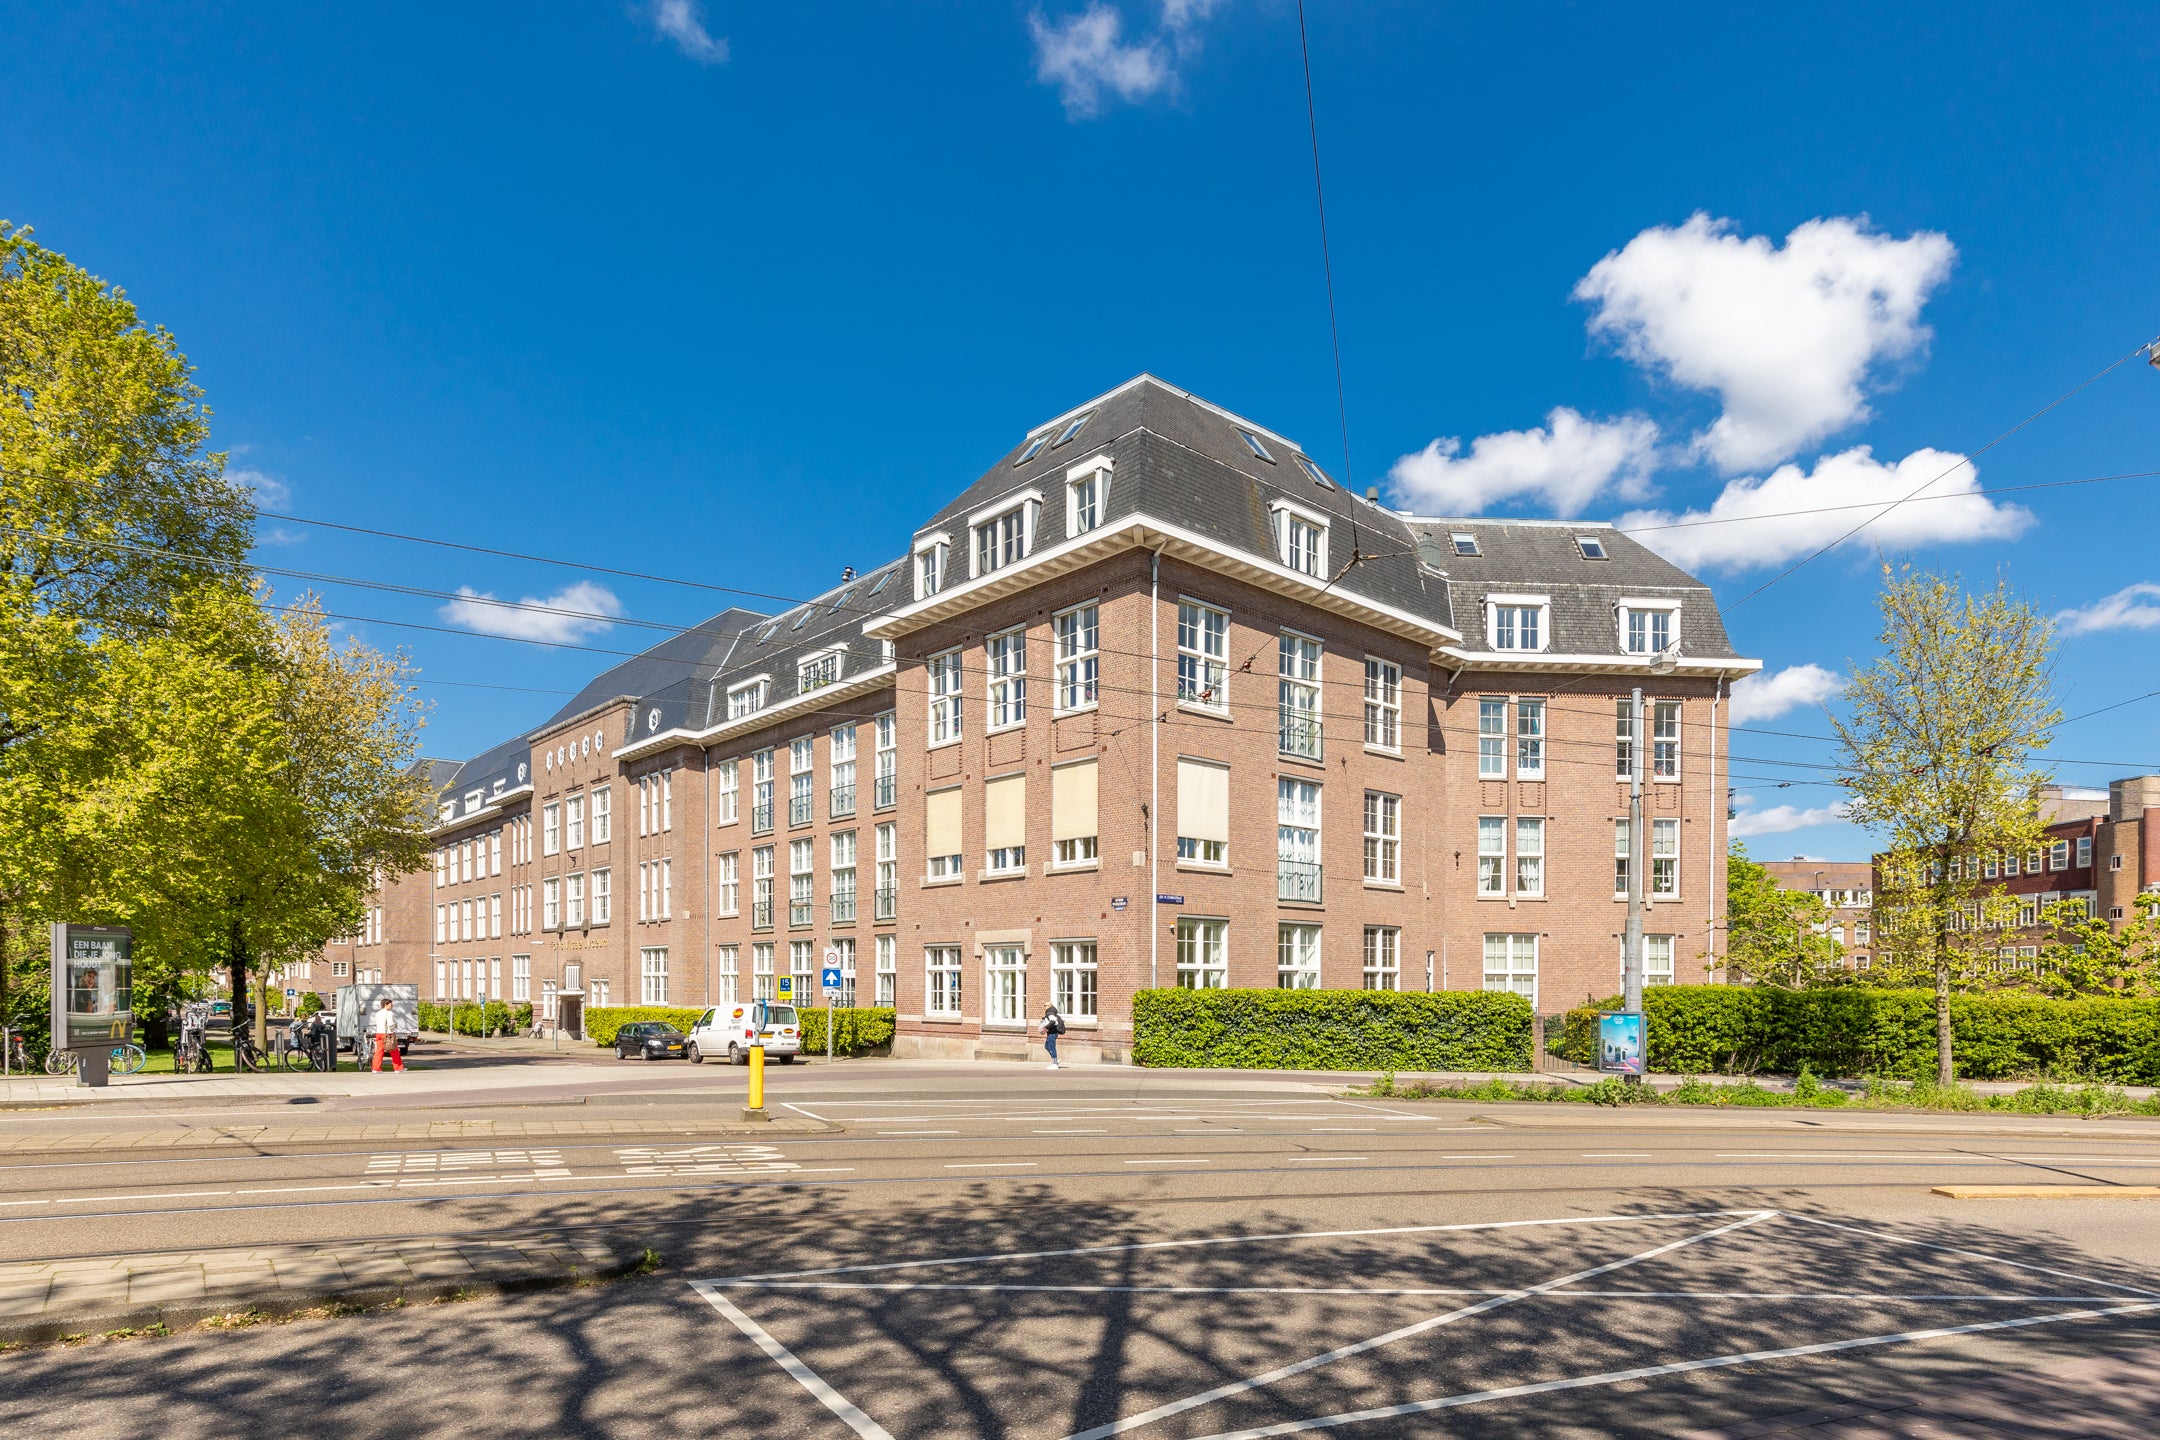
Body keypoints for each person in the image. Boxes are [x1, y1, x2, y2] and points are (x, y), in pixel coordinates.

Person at [370, 998, 405, 1073]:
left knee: (379, 1052)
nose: (392, 1006)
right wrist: (396, 1025)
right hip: (388, 1034)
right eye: (390, 1004)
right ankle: (398, 1068)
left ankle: (376, 1069)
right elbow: (390, 1025)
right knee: (394, 1051)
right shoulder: (389, 1013)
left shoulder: (378, 1013)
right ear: (385, 1005)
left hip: (379, 1033)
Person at [1039, 1001, 1065, 1070]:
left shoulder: (1050, 1012)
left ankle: (1055, 1064)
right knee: (1047, 1046)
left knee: (1052, 1047)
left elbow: (1053, 1022)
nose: (1044, 1007)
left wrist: (1045, 1028)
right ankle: (1056, 1059)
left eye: (1045, 1005)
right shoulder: (1049, 1012)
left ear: (1049, 1006)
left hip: (1052, 1033)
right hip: (1050, 1033)